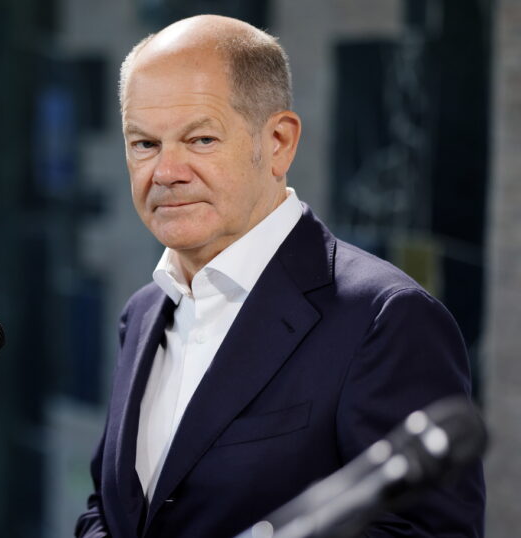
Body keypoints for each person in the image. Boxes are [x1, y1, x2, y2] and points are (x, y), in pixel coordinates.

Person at [75, 14, 485, 538]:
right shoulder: (144, 311)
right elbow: (109, 509)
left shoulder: (385, 318)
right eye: (144, 144)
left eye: (200, 139)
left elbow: (429, 533)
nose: (166, 171)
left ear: (278, 143)